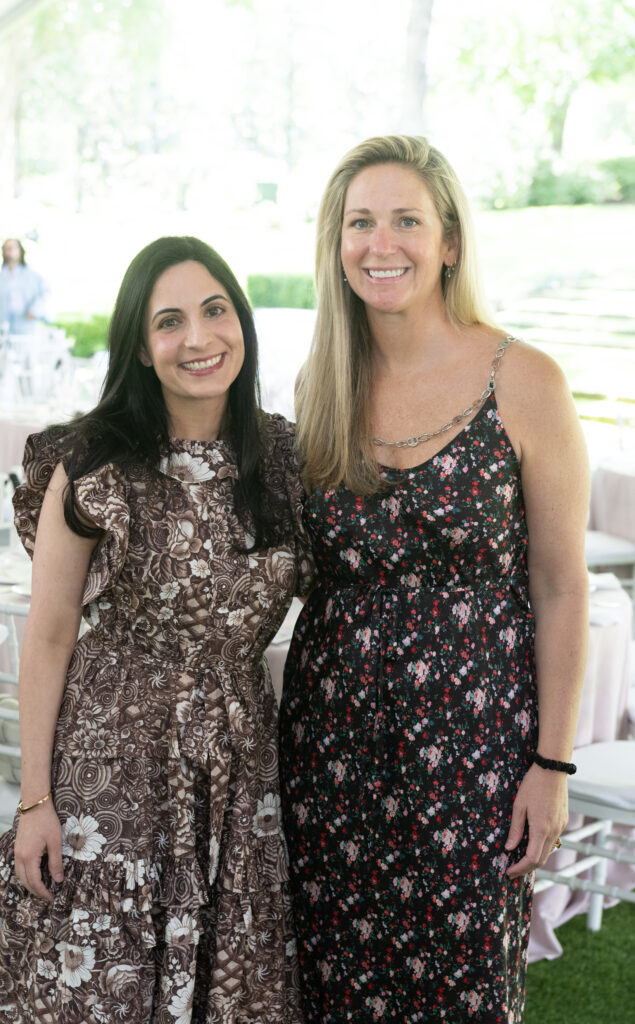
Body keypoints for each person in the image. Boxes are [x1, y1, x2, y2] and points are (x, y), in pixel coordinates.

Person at [278, 136, 590, 1023]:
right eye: (360, 223)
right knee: (333, 982)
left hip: (476, 750)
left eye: (405, 221)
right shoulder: (320, 384)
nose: (381, 245)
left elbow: (560, 588)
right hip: (330, 744)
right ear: (336, 245)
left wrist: (551, 765)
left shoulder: (524, 381)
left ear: (449, 241)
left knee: (463, 986)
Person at [0, 236, 313, 1023]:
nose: (198, 338)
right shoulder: (96, 462)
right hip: (111, 764)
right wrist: (34, 803)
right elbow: (49, 634)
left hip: (237, 765)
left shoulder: (286, 458)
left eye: (215, 310)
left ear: (242, 321)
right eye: (169, 321)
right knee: (96, 988)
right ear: (138, 345)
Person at [0, 238, 49, 334]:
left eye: (13, 247)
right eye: (7, 248)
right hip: (6, 327)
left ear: (20, 251)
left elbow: (46, 292)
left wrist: (35, 310)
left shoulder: (32, 275)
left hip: (27, 325)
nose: (10, 251)